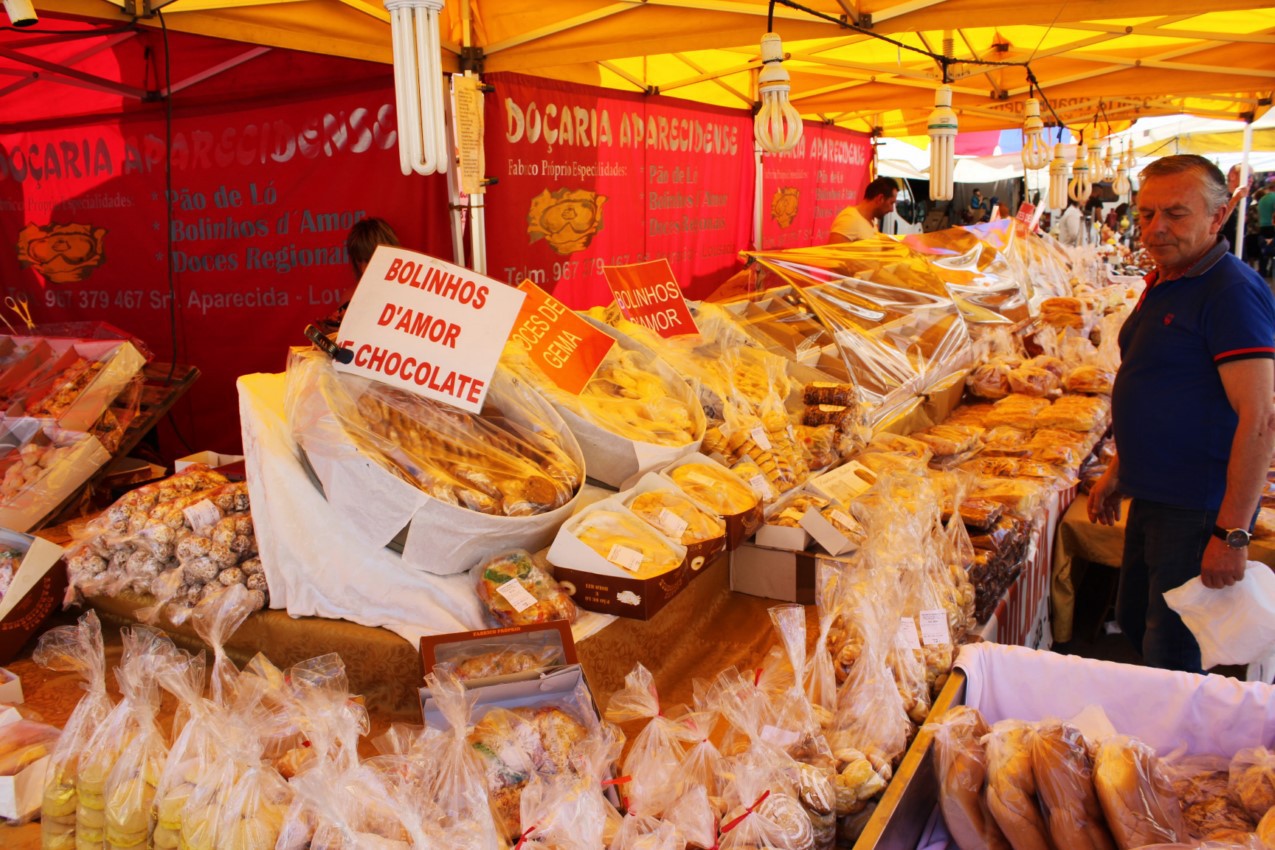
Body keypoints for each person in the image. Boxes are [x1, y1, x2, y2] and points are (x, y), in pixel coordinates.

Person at [1088, 154, 1275, 673]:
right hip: (1155, 495)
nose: (1156, 228)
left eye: (1176, 214)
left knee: (1172, 650)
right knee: (1135, 618)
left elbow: (1260, 419)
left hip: (1196, 509)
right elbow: (1162, 386)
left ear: (1218, 219)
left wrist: (1231, 534)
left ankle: (1173, 751)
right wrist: (1119, 469)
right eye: (1147, 214)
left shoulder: (1230, 292)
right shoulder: (1170, 276)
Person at [316, 217, 401, 335]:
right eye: (359, 261)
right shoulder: (350, 297)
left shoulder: (407, 295)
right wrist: (333, 335)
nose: (363, 268)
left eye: (370, 260)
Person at [829, 177, 899, 243]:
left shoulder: (871, 223)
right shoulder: (849, 220)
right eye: (891, 203)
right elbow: (833, 254)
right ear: (880, 199)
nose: (891, 209)